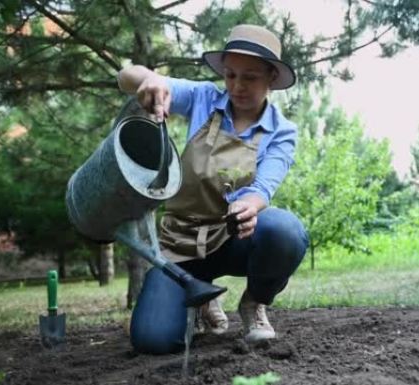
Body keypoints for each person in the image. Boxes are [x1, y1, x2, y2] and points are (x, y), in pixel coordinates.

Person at [118, 24, 309, 354]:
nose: (236, 86)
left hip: (234, 238)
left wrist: (248, 207)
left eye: (249, 77)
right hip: (181, 245)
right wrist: (148, 80)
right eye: (231, 75)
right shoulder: (202, 98)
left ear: (271, 78)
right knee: (153, 340)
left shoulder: (282, 131)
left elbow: (264, 186)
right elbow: (127, 76)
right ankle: (201, 300)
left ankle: (254, 303)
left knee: (285, 231)